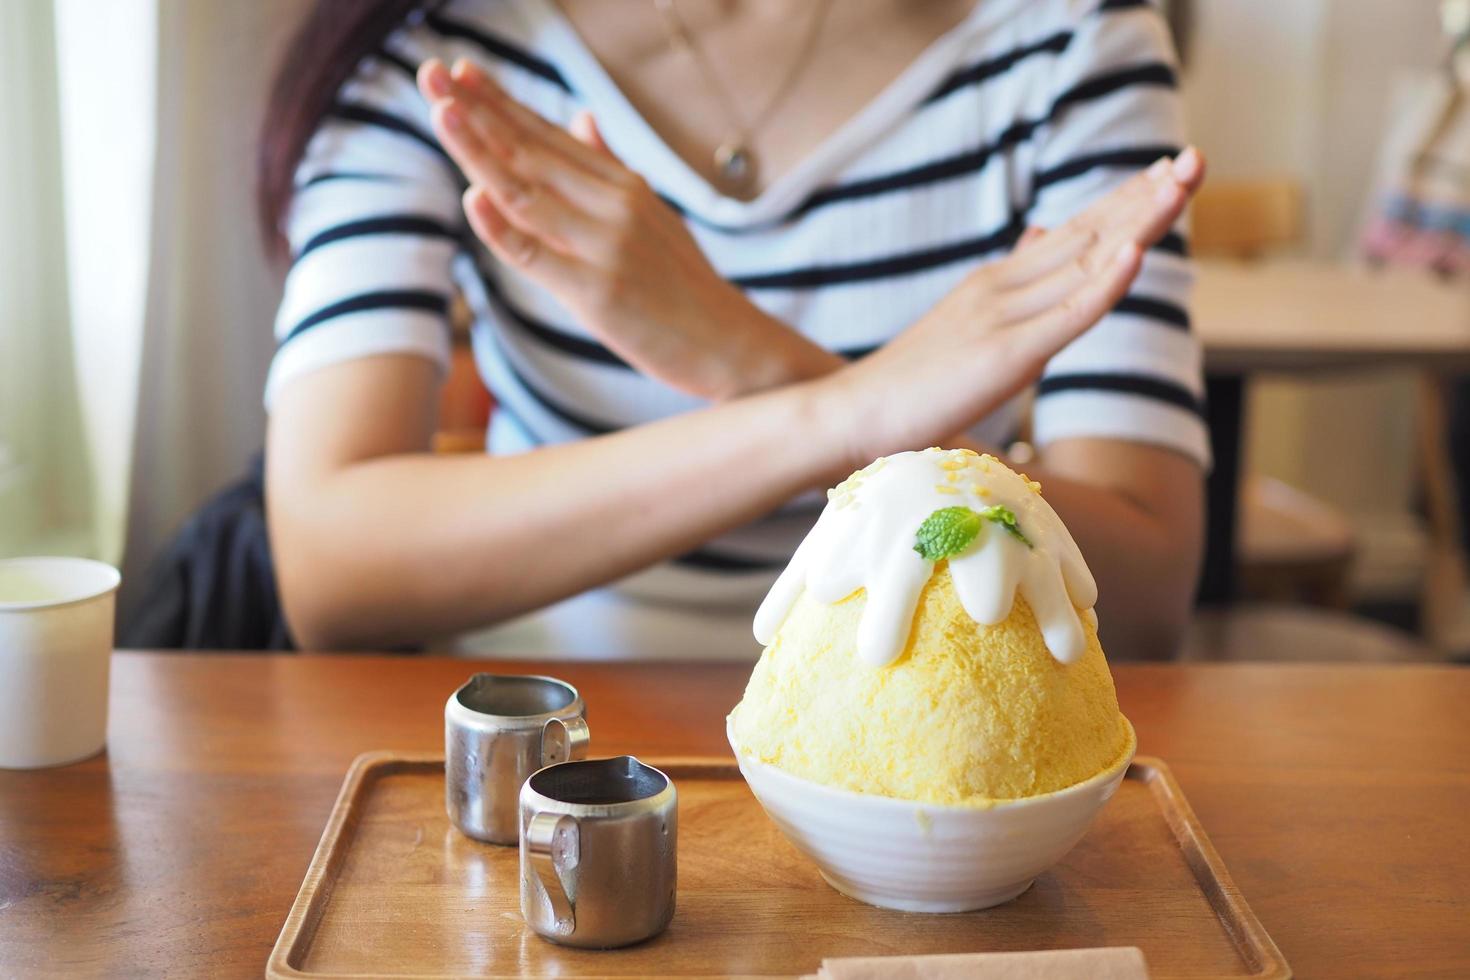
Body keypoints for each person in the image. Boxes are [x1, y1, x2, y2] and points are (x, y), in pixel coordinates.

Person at [258, 0, 1208, 660]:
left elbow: (1145, 592)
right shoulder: (440, 54)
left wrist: (743, 353)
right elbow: (331, 568)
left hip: (942, 725)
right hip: (551, 742)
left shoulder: (1076, 42)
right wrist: (845, 411)